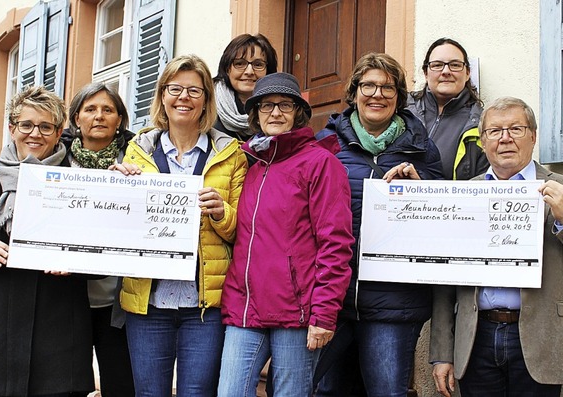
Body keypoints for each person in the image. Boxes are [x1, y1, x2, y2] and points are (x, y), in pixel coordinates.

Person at [0, 86, 95, 396]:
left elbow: (104, 255)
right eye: (26, 125)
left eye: (45, 126)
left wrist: (73, 262)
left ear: (59, 131)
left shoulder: (82, 183)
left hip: (58, 349)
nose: (34, 133)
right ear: (12, 129)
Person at [115, 54, 247, 397]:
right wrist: (118, 186)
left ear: (206, 100)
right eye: (175, 89)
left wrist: (221, 213)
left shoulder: (231, 154)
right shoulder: (137, 150)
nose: (183, 97)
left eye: (194, 90)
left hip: (204, 306)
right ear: (162, 96)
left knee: (197, 393)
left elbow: (243, 231)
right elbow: (120, 224)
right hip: (147, 301)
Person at [218, 72, 355, 397]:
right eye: (266, 106)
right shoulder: (249, 162)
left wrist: (324, 313)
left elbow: (336, 243)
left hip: (298, 311)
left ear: (297, 113)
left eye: (284, 105)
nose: (275, 113)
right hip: (245, 305)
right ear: (255, 114)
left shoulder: (320, 163)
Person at [314, 52, 443, 397]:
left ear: (399, 97)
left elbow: (442, 223)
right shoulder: (325, 145)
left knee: (386, 392)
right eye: (368, 85)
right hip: (332, 300)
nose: (377, 94)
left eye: (387, 87)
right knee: (322, 391)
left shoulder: (422, 149)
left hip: (393, 304)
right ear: (354, 92)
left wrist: (421, 190)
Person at [431, 97, 563, 397]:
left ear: (533, 135)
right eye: (494, 131)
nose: (505, 138)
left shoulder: (560, 188)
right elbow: (444, 282)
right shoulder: (463, 197)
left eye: (516, 128)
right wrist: (442, 353)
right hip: (476, 337)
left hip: (542, 338)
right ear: (482, 140)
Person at [63, 82, 135, 397]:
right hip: (66, 299)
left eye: (108, 110)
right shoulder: (56, 159)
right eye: (90, 109)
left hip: (118, 302)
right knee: (66, 386)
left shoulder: (139, 159)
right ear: (76, 118)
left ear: (120, 119)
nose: (99, 116)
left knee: (121, 384)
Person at [408, 37, 488, 180]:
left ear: (468, 73)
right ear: (426, 73)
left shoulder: (482, 123)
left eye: (455, 65)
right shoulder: (402, 109)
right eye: (437, 65)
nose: (446, 71)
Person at [213, 33, 278, 142]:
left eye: (258, 65)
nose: (249, 72)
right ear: (227, 68)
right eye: (239, 63)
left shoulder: (280, 109)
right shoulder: (207, 102)